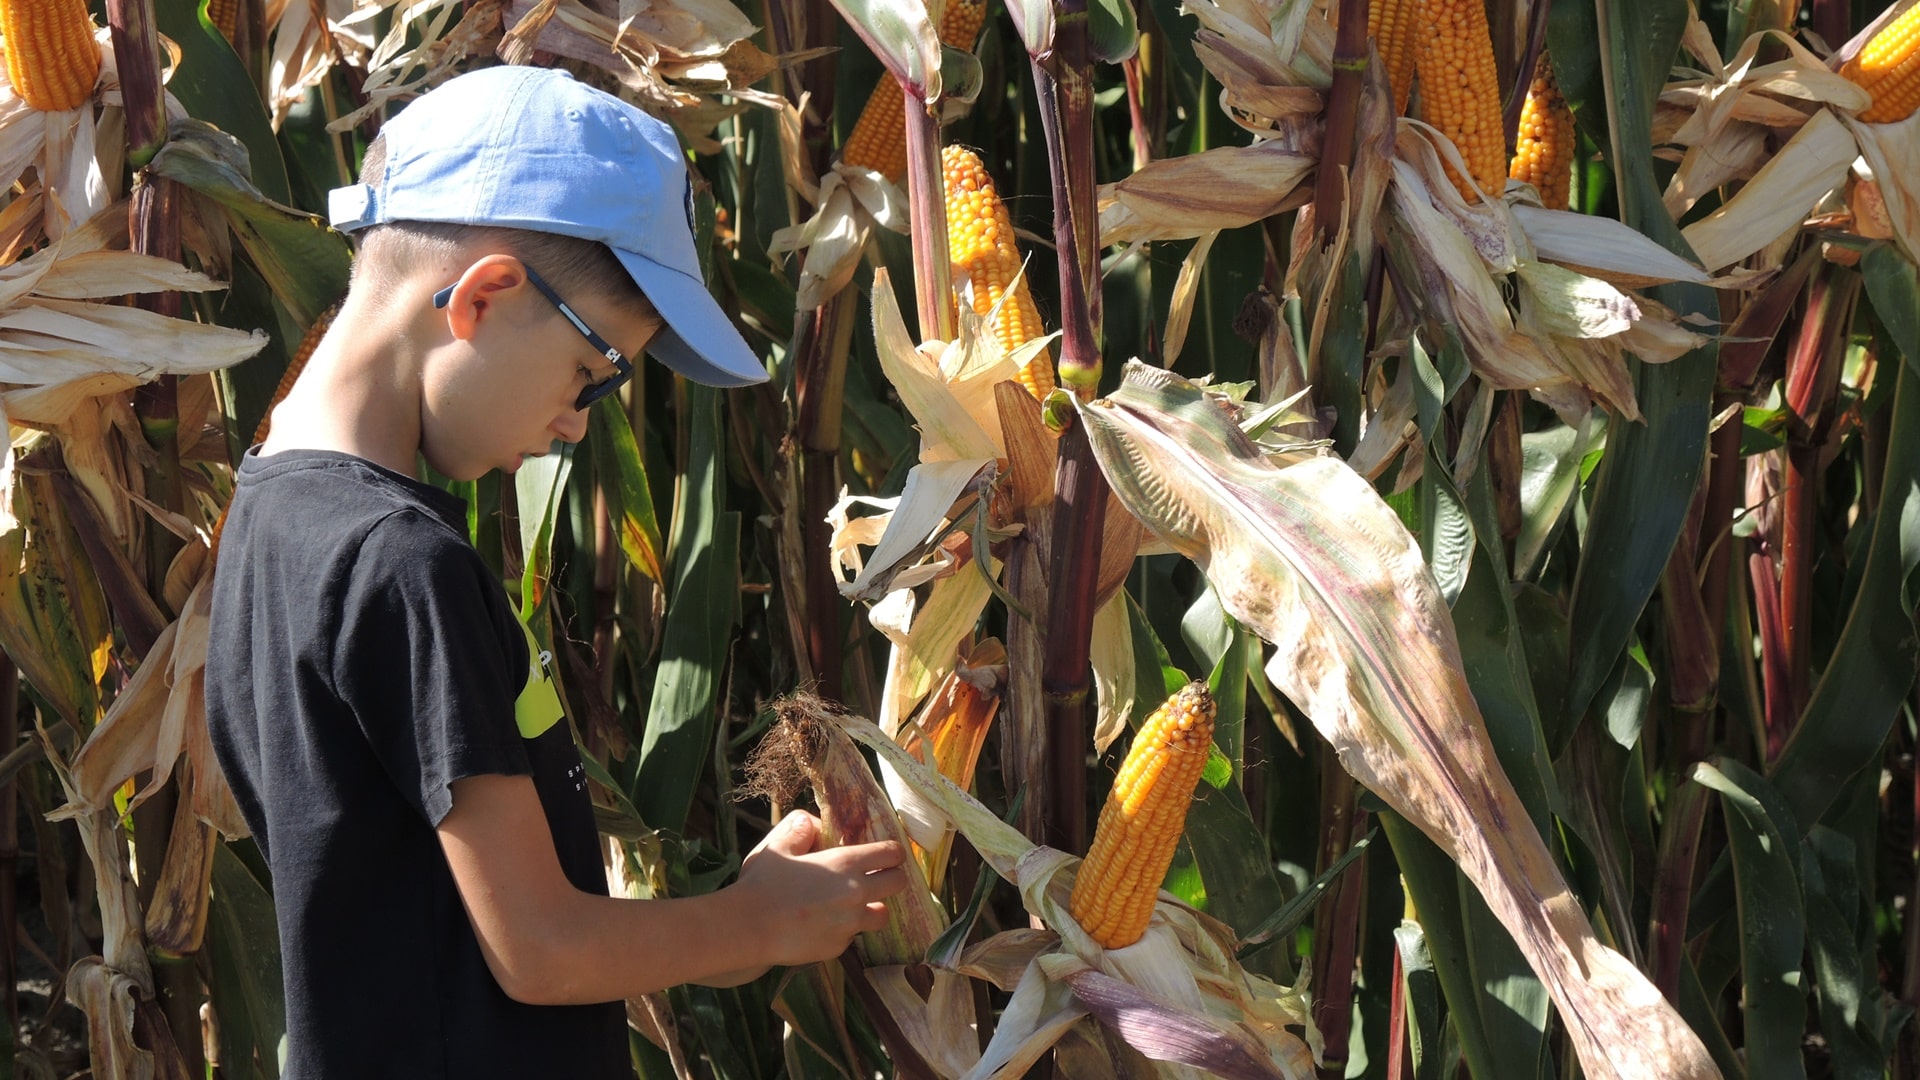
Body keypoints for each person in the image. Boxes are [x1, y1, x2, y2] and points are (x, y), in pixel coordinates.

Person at [205, 65, 907, 1078]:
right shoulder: (404, 567)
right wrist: (752, 925)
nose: (579, 424)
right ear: (484, 296)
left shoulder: (268, 509)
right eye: (592, 372)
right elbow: (539, 950)